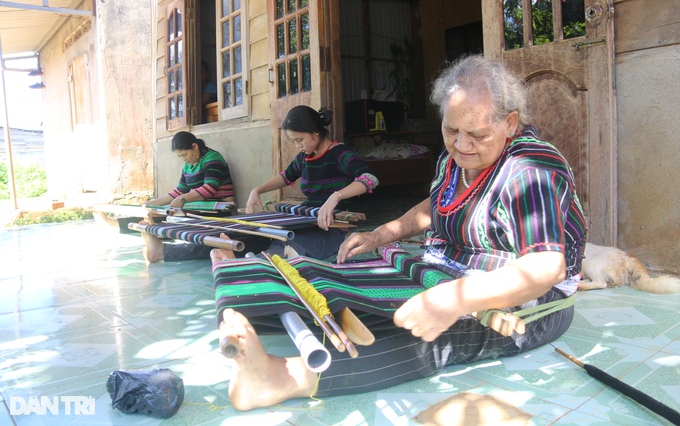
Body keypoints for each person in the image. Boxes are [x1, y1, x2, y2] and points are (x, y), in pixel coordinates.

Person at [215, 55, 588, 411]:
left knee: (431, 333)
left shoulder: (531, 166)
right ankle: (266, 301)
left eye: (477, 133)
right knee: (335, 280)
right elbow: (436, 204)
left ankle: (281, 378)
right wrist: (380, 236)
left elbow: (545, 267)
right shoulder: (455, 159)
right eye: (451, 129)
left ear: (510, 123)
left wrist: (453, 300)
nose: (461, 145)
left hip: (526, 297)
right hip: (444, 269)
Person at [244, 105, 379, 259]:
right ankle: (259, 258)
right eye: (294, 141)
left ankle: (265, 261)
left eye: (300, 140)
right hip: (308, 220)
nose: (297, 145)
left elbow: (370, 177)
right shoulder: (304, 158)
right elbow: (286, 177)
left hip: (334, 226)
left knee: (293, 247)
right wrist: (257, 191)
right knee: (274, 236)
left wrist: (336, 196)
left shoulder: (339, 154)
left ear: (315, 132)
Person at [142, 131, 235, 262]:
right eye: (180, 157)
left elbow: (209, 188)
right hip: (201, 209)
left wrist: (183, 199)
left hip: (219, 210)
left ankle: (161, 251)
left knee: (209, 241)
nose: (183, 159)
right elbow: (180, 190)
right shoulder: (188, 166)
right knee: (161, 215)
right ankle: (156, 234)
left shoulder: (213, 158)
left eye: (185, 154)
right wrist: (154, 202)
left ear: (195, 147)